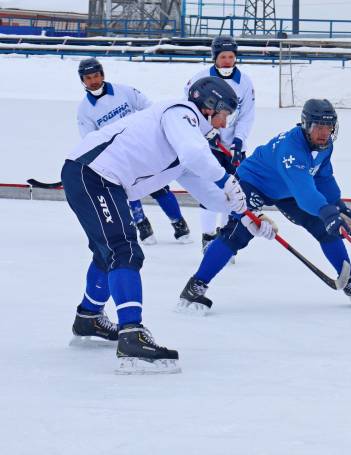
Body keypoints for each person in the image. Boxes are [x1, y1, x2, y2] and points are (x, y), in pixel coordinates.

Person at [63, 77, 263, 374]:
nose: (224, 124)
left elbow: (211, 196)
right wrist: (227, 179)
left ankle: (89, 317)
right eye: (225, 114)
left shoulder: (188, 141)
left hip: (99, 179)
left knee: (108, 253)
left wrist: (246, 214)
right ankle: (131, 334)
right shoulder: (179, 112)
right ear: (209, 106)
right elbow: (197, 156)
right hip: (94, 174)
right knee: (124, 251)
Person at [178, 99, 351, 313]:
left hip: (287, 188)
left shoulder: (325, 146)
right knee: (238, 232)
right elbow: (305, 192)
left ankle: (349, 281)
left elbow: (323, 178)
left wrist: (338, 205)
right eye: (319, 127)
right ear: (306, 125)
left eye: (329, 127)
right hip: (254, 182)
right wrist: (328, 211)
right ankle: (196, 284)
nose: (324, 133)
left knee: (323, 226)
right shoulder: (292, 149)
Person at [76, 57, 192, 245]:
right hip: (119, 158)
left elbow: (151, 110)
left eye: (96, 75)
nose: (93, 80)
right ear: (82, 81)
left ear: (103, 74)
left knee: (159, 186)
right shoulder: (84, 110)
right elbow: (90, 140)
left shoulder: (125, 91)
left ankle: (179, 223)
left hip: (144, 147)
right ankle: (142, 224)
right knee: (128, 191)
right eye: (88, 78)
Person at [185, 36, 256, 251]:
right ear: (215, 57)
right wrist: (208, 131)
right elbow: (189, 109)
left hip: (232, 147)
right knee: (209, 189)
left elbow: (246, 115)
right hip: (207, 145)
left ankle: (225, 237)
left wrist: (238, 141)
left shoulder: (244, 82)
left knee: (232, 190)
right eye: (223, 57)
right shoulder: (201, 79)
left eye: (231, 57)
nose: (227, 61)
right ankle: (208, 236)